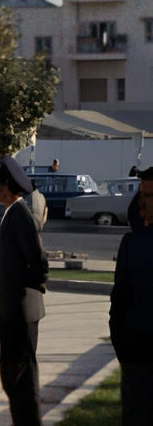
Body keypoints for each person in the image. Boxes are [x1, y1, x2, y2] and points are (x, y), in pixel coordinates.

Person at [0, 156, 48, 425]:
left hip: (19, 312)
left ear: (6, 185)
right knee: (12, 378)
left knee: (21, 380)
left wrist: (26, 293)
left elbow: (39, 262)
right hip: (11, 311)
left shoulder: (20, 214)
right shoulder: (11, 214)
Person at [110, 168, 153, 424]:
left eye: (149, 195)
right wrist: (123, 348)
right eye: (142, 195)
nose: (143, 202)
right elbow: (120, 301)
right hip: (137, 359)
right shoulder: (132, 244)